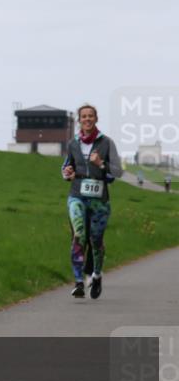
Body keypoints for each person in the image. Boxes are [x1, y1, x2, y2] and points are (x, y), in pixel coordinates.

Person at [60, 104, 121, 300]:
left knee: (96, 240)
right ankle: (78, 282)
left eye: (90, 116)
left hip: (99, 200)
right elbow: (66, 166)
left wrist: (101, 164)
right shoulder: (73, 143)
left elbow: (117, 172)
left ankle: (96, 275)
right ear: (79, 120)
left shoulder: (107, 143)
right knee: (78, 235)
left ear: (96, 119)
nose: (87, 119)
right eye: (84, 116)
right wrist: (66, 172)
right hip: (77, 195)